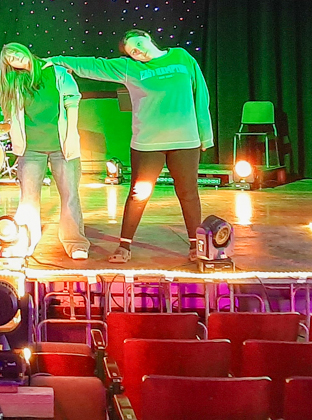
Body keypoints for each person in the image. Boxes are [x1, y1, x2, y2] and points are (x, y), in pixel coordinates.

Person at [50, 29, 214, 263]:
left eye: (137, 44)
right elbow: (95, 65)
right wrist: (57, 61)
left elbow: (201, 96)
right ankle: (124, 246)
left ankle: (196, 246)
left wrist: (205, 135)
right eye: (132, 51)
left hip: (185, 141)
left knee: (188, 193)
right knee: (138, 194)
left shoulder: (181, 57)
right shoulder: (130, 68)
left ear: (147, 37)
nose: (137, 51)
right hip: (148, 143)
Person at [0, 43, 90, 260]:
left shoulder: (56, 72)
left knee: (70, 196)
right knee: (28, 199)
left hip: (62, 146)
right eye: (9, 58)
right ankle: (25, 242)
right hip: (31, 149)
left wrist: (70, 135)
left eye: (16, 53)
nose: (15, 58)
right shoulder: (11, 80)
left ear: (26, 50)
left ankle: (75, 243)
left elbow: (72, 102)